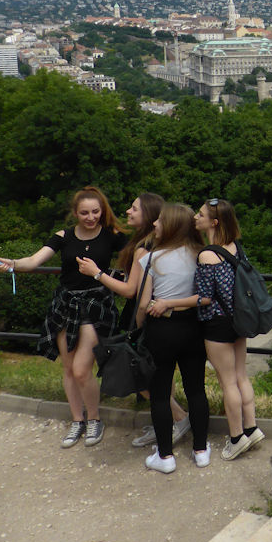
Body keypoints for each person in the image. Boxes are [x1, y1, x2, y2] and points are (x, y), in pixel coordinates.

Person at [0, 187, 127, 448]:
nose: (91, 217)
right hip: (65, 304)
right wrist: (12, 263)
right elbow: (34, 261)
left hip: (96, 305)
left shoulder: (113, 236)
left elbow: (136, 260)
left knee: (81, 369)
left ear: (103, 211)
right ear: (75, 213)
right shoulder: (63, 236)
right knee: (68, 368)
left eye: (96, 212)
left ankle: (95, 419)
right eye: (85, 213)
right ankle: (77, 420)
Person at [90, 192, 190, 449]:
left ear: (148, 215)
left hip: (142, 313)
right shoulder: (156, 242)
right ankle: (165, 421)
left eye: (134, 208)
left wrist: (97, 274)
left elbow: (130, 291)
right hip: (160, 313)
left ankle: (178, 418)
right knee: (156, 372)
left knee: (140, 373)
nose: (128, 212)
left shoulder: (143, 247)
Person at [138, 203, 212, 473]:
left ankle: (165, 456)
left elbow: (144, 304)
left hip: (161, 329)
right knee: (196, 389)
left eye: (159, 221)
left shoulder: (150, 259)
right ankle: (201, 450)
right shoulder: (201, 255)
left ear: (170, 226)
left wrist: (141, 325)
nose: (155, 224)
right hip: (193, 327)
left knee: (159, 394)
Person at [193, 198, 265, 461]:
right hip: (239, 321)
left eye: (200, 214)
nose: (195, 217)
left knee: (227, 382)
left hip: (217, 323)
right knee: (241, 376)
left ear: (214, 222)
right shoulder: (236, 247)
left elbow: (204, 296)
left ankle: (236, 438)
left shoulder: (207, 255)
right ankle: (252, 427)